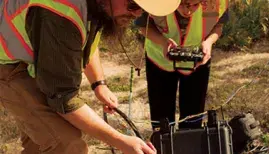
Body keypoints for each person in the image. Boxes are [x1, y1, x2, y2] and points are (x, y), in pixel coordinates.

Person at [0, 0, 180, 153]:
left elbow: (85, 38)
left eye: (142, 9)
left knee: (42, 140)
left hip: (29, 61)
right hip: (7, 63)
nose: (137, 13)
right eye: (132, 4)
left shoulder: (97, 6)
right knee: (67, 143)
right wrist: (121, 141)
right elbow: (63, 97)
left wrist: (98, 84)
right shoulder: (61, 13)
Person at [135, 0, 229, 129]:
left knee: (193, 117)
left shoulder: (218, 2)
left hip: (197, 61)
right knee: (162, 118)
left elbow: (218, 26)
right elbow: (142, 25)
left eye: (195, 5)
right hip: (160, 60)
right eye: (182, 4)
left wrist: (208, 42)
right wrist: (163, 42)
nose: (188, 11)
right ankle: (164, 146)